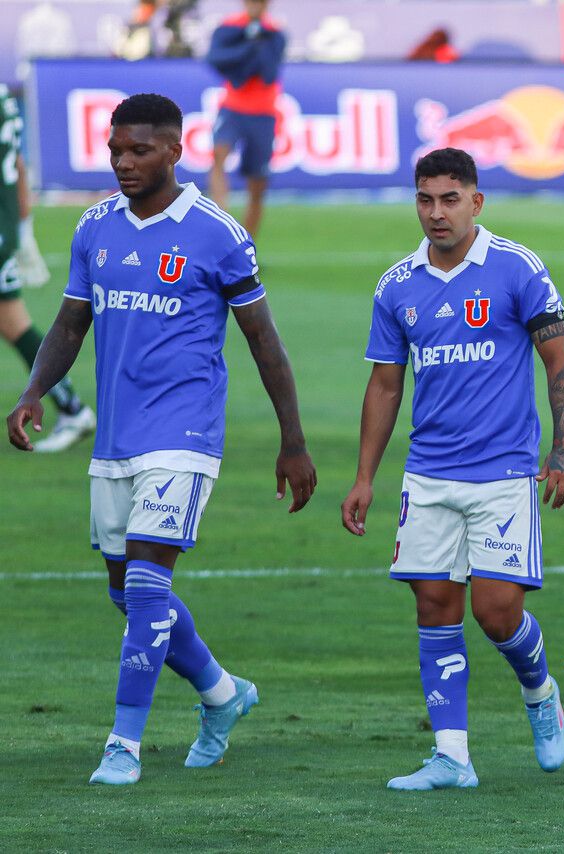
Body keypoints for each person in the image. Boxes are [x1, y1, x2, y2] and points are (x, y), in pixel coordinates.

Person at [5, 93, 317, 785]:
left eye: (139, 150)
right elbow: (67, 325)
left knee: (147, 588)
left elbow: (263, 340)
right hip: (116, 438)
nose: (122, 162)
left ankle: (123, 743)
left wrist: (292, 441)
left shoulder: (217, 233)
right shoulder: (94, 227)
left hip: (185, 432)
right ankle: (222, 693)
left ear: (175, 151)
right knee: (126, 592)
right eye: (115, 150)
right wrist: (34, 393)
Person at [341, 147, 564, 792]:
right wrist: (366, 477)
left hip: (503, 473)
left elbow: (558, 361)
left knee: (497, 613)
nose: (436, 213)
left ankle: (539, 691)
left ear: (477, 201)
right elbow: (386, 385)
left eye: (450, 199)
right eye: (425, 199)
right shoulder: (397, 285)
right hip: (429, 473)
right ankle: (452, 757)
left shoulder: (516, 268)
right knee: (435, 605)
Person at [0, 82, 96, 452]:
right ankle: (72, 408)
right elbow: (18, 163)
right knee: (13, 321)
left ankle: (72, 408)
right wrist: (22, 227)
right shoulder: (5, 98)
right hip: (4, 226)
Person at [206, 0, 286, 240]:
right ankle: (222, 223)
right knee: (219, 155)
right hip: (233, 106)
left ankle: (246, 245)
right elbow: (217, 59)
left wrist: (250, 49)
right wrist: (251, 45)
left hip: (263, 111)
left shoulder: (275, 34)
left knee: (258, 181)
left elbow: (268, 73)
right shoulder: (230, 28)